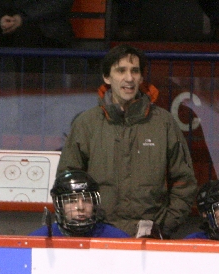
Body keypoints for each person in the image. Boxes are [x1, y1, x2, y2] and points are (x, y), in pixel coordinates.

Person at [57, 45, 197, 239]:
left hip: (151, 239)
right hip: (96, 236)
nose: (129, 78)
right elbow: (67, 181)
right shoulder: (86, 124)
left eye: (135, 71)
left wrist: (163, 227)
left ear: (141, 78)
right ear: (107, 77)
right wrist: (83, 225)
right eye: (121, 70)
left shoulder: (163, 122)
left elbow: (185, 182)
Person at [30, 170, 129, 238]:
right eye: (72, 201)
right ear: (59, 205)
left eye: (86, 200)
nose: (81, 207)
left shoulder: (117, 238)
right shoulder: (39, 239)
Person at [0, 0, 74, 48]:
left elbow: (58, 3)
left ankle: (31, 90)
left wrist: (22, 18)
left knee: (28, 35)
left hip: (44, 27)